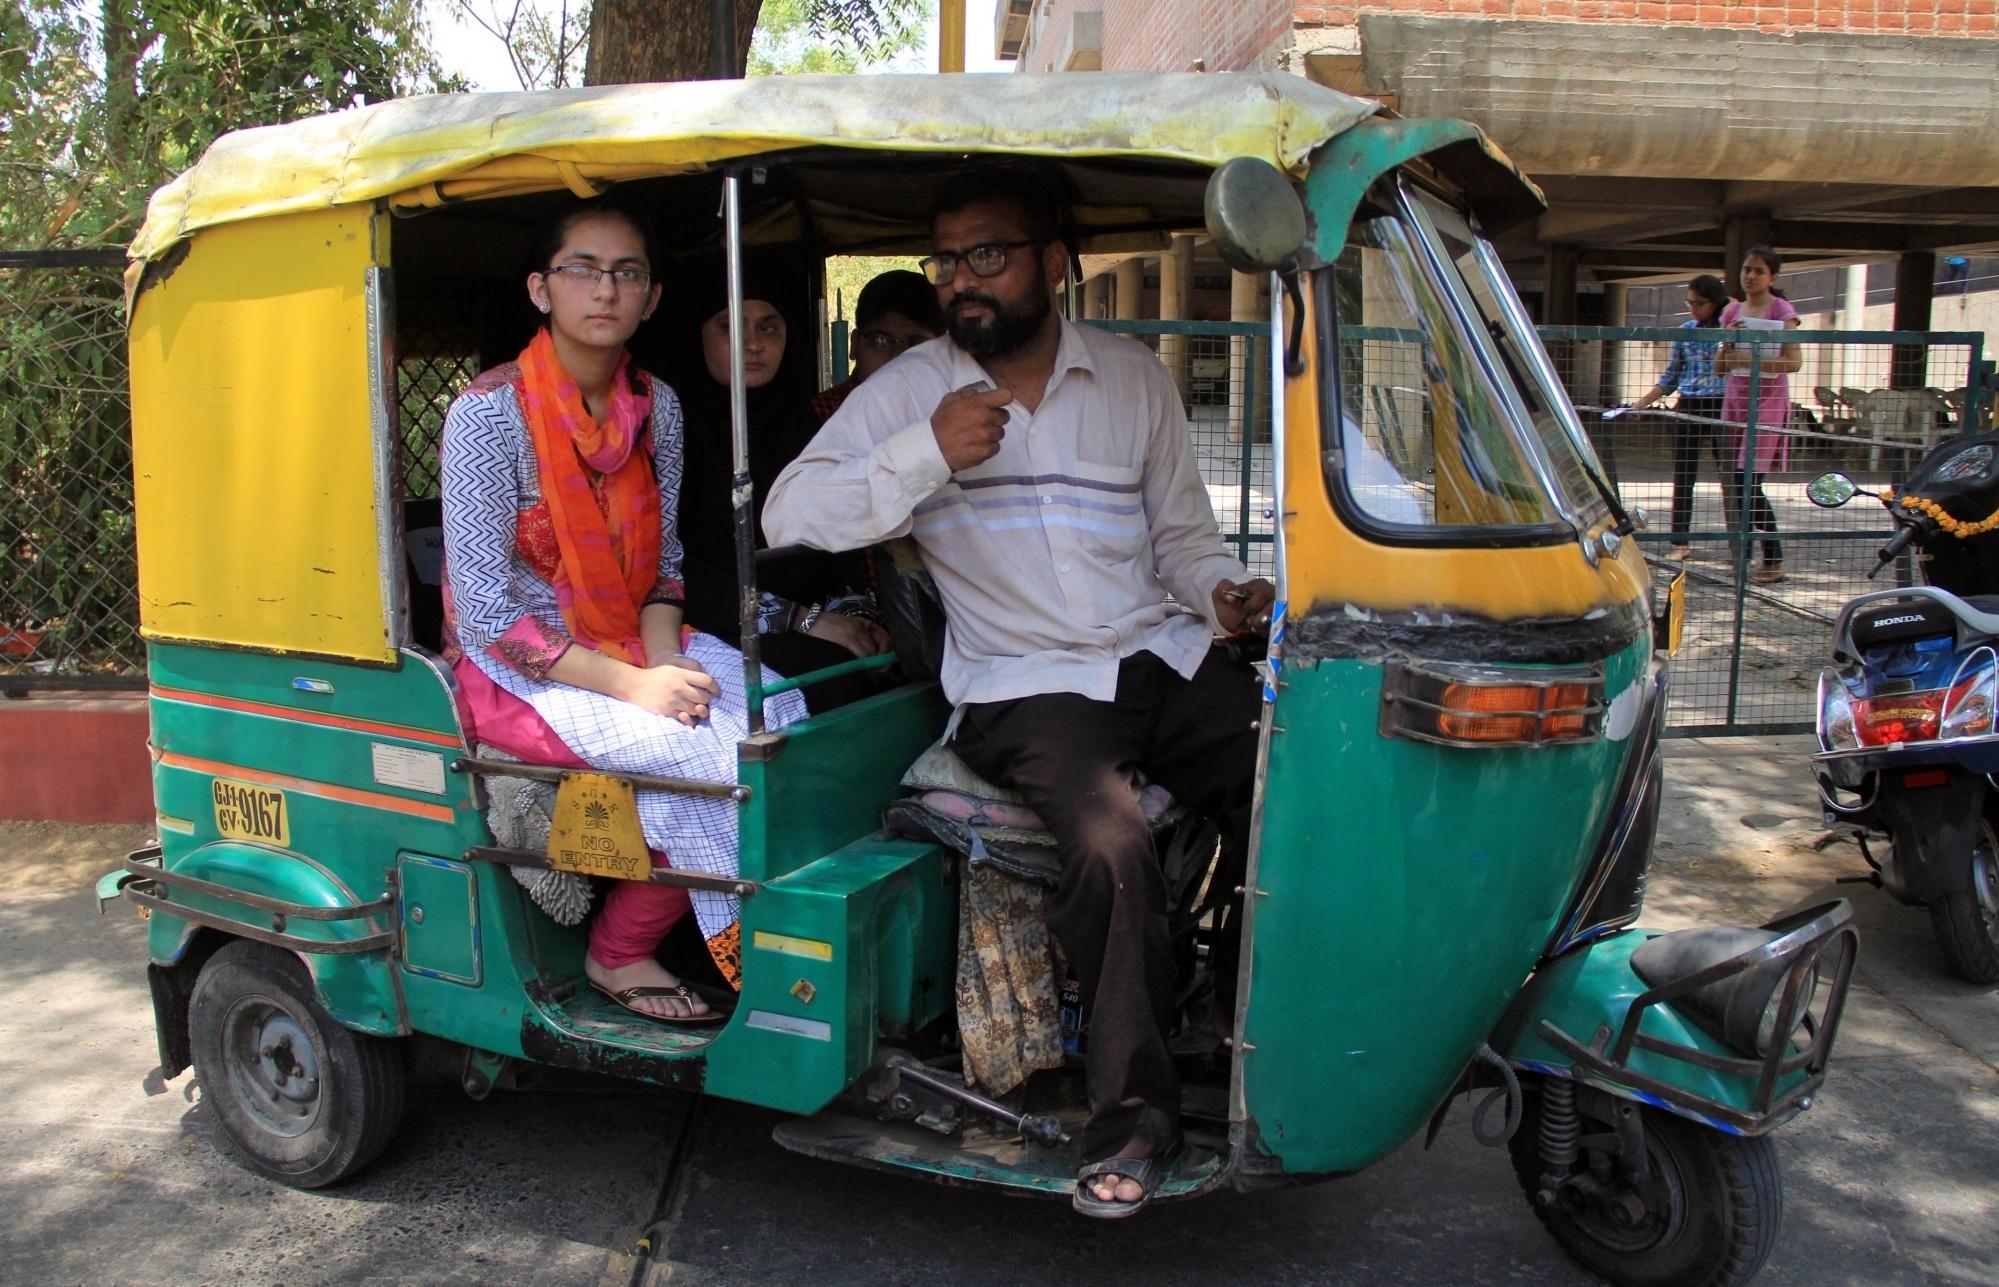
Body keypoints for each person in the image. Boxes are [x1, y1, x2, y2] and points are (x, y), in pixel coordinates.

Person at [764, 166, 1275, 1218]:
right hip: (1026, 683)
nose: (961, 281)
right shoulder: (910, 393)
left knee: (1296, 788)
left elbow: (1180, 539)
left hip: (1163, 655)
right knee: (1110, 848)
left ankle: (1279, 1032)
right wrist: (924, 454)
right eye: (946, 260)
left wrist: (1222, 596)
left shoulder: (1133, 380)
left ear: (1054, 263)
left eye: (986, 255)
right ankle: (1135, 1121)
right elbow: (789, 516)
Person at [439, 198, 806, 1024]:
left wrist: (662, 658)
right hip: (519, 670)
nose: (604, 290)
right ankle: (619, 953)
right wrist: (636, 687)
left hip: (628, 635)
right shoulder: (486, 416)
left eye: (626, 273)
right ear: (541, 289)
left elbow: (664, 565)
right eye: (582, 269)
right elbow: (491, 613)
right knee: (710, 763)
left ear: (651, 297)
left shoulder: (658, 406)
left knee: (779, 710)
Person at [673, 271, 890, 709]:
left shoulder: (806, 423)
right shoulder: (673, 432)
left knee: (898, 662)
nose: (753, 343)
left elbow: (838, 539)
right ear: (700, 336)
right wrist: (803, 620)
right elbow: (678, 570)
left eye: (768, 327)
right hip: (710, 622)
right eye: (731, 326)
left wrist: (856, 615)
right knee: (831, 683)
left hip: (818, 617)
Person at [1629, 275, 1730, 560]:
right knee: (1684, 475)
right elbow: (1671, 376)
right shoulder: (1686, 331)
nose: (1693, 308)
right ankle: (1680, 542)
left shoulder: (1730, 328)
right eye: (1690, 303)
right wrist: (1643, 403)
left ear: (1715, 303)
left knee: (1730, 476)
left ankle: (1739, 543)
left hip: (1722, 405)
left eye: (1699, 303)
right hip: (1689, 404)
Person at [1716, 244, 1800, 584]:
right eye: (1746, 270)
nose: (1750, 276)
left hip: (1767, 402)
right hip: (1735, 400)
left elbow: (1793, 362)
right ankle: (1745, 554)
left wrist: (1751, 361)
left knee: (1750, 481)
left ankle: (1773, 556)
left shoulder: (1782, 310)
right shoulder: (1732, 311)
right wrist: (1729, 343)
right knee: (1735, 483)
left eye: (1758, 271)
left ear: (1772, 277)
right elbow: (1720, 366)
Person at [812, 269, 947, 421]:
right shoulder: (814, 420)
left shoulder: (954, 416)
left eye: (916, 345)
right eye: (880, 341)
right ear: (854, 344)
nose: (897, 359)